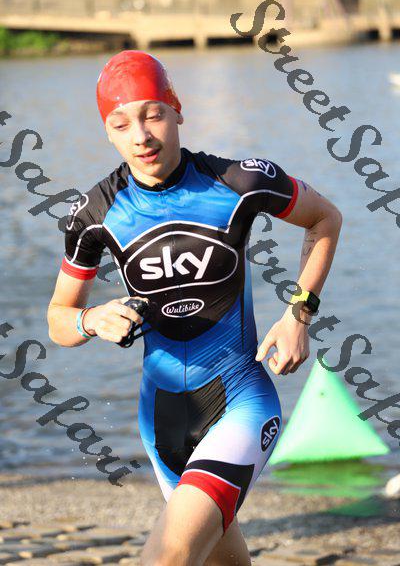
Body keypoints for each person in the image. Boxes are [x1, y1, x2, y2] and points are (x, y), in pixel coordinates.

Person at [47, 50, 342, 566]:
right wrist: (89, 320)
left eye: (153, 114)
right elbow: (58, 319)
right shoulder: (95, 213)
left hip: (240, 402)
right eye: (121, 124)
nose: (141, 136)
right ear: (108, 133)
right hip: (160, 423)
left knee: (168, 556)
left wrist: (299, 313)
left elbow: (325, 219)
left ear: (178, 110)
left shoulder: (239, 181)